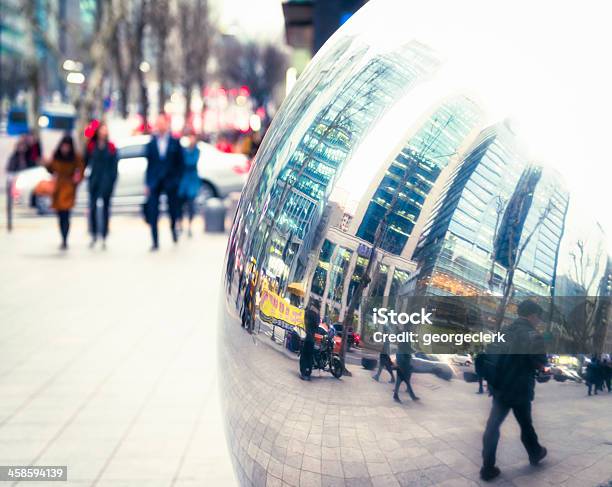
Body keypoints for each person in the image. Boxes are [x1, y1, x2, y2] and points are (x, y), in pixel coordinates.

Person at [480, 300, 548, 482]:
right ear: (532, 315)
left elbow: (491, 356)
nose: (538, 321)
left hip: (500, 389)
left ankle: (487, 468)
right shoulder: (534, 336)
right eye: (538, 317)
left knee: (492, 427)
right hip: (520, 391)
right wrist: (545, 371)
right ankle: (535, 452)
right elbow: (542, 364)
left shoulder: (503, 331)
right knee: (526, 424)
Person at [144, 113, 184, 250]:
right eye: (158, 123)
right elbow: (149, 164)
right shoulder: (151, 142)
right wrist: (147, 183)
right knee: (153, 210)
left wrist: (177, 180)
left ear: (167, 124)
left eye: (162, 122)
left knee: (173, 209)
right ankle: (155, 241)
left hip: (170, 181)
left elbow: (180, 163)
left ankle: (173, 229)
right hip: (155, 182)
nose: (160, 125)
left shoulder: (175, 142)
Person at [46, 135, 84, 250]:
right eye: (64, 146)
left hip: (68, 188)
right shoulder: (56, 155)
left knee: (66, 214)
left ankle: (65, 239)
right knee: (60, 215)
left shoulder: (75, 157)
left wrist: (76, 180)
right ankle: (63, 237)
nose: (65, 148)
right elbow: (51, 169)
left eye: (67, 146)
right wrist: (47, 162)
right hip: (58, 188)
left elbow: (81, 169)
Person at [85, 121, 118, 249]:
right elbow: (85, 161)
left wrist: (112, 180)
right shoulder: (91, 146)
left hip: (107, 182)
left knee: (105, 209)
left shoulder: (111, 147)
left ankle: (104, 235)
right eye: (101, 130)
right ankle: (93, 234)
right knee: (92, 208)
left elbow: (114, 166)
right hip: (95, 181)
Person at [178, 129, 201, 237]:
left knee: (191, 204)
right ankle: (181, 223)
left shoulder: (196, 151)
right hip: (184, 180)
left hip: (192, 180)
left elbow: (190, 162)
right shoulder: (184, 150)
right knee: (181, 204)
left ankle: (190, 226)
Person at [300, 309, 318, 381]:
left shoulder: (307, 314)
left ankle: (304, 373)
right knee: (309, 357)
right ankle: (308, 373)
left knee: (304, 356)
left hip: (307, 339)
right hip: (311, 340)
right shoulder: (315, 317)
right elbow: (316, 327)